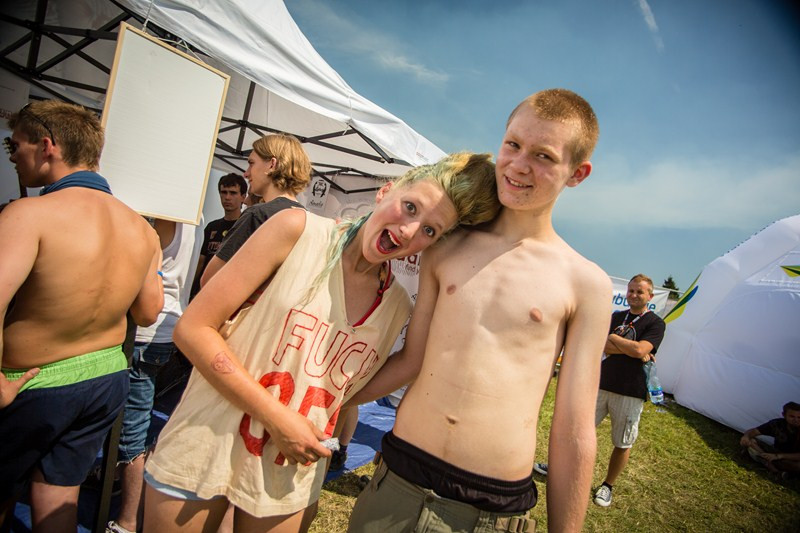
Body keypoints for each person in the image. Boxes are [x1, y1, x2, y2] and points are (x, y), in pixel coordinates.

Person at [142, 152, 500, 533]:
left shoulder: (395, 303)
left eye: (430, 231)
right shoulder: (297, 231)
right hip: (205, 440)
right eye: (409, 207)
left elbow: (410, 362)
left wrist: (333, 401)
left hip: (289, 466)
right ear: (385, 191)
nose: (410, 231)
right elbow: (194, 328)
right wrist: (278, 416)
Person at [346, 89, 611, 533]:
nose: (519, 165)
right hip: (399, 481)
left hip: (491, 507)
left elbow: (573, 429)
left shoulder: (585, 284)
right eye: (513, 145)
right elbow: (412, 358)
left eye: (543, 156)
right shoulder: (446, 246)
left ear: (577, 173)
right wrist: (329, 401)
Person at [0, 100, 164, 531]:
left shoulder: (28, 214)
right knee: (58, 498)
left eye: (14, 145)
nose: (13, 155)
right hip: (104, 380)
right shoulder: (142, 229)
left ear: (47, 147)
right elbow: (148, 313)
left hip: (31, 386)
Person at [107, 218, 204, 533]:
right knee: (136, 424)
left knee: (132, 430)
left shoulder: (164, 214)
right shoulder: (194, 215)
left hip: (146, 329)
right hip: (163, 325)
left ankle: (128, 520)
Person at [591, 274, 666, 508]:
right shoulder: (616, 316)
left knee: (622, 442)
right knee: (578, 430)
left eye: (639, 292)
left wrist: (615, 339)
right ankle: (559, 468)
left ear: (650, 296)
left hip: (631, 391)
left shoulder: (655, 323)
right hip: (601, 383)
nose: (633, 295)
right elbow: (602, 345)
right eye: (631, 290)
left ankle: (607, 486)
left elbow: (641, 349)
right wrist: (631, 348)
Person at [200, 133, 310, 286]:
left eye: (251, 163)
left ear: (272, 164)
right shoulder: (308, 220)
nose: (246, 173)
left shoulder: (259, 215)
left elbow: (210, 278)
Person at [190, 173, 247, 296]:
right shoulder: (212, 227)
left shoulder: (246, 227)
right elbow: (200, 261)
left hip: (228, 292)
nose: (227, 197)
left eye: (233, 193)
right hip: (203, 290)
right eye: (224, 192)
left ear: (243, 197)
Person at [740, 401, 800, 478]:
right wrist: (746, 436)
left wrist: (778, 456)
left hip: (789, 458)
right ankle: (774, 468)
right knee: (751, 442)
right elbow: (754, 431)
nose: (796, 420)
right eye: (792, 416)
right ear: (784, 415)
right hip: (774, 453)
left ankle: (768, 464)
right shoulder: (777, 424)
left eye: (799, 417)